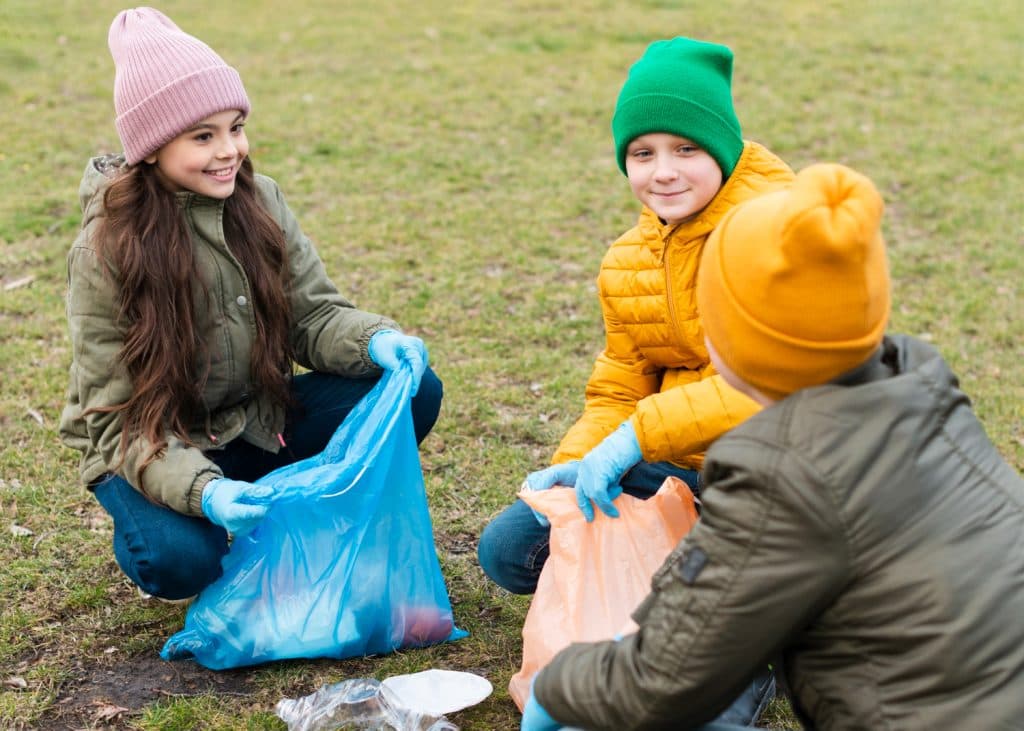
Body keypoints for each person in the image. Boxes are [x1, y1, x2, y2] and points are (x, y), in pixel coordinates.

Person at [520, 163, 1024, 730]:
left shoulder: (785, 473)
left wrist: (555, 689)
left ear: (740, 340)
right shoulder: (920, 389)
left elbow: (661, 683)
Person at [60, 7, 442, 603]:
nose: (229, 151)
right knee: (178, 562)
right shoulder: (104, 247)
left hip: (257, 422)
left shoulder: (260, 200)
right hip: (154, 441)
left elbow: (313, 316)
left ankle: (301, 522)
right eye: (203, 136)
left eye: (235, 127)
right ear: (152, 147)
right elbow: (114, 420)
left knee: (414, 390)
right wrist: (205, 491)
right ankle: (206, 522)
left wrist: (375, 340)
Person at [479, 36, 791, 726]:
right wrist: (574, 464)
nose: (663, 172)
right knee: (512, 549)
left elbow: (764, 383)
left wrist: (632, 440)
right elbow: (621, 384)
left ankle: (740, 660)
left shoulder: (778, 237)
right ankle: (682, 600)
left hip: (776, 477)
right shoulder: (628, 259)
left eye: (686, 148)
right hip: (672, 466)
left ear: (724, 149)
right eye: (642, 153)